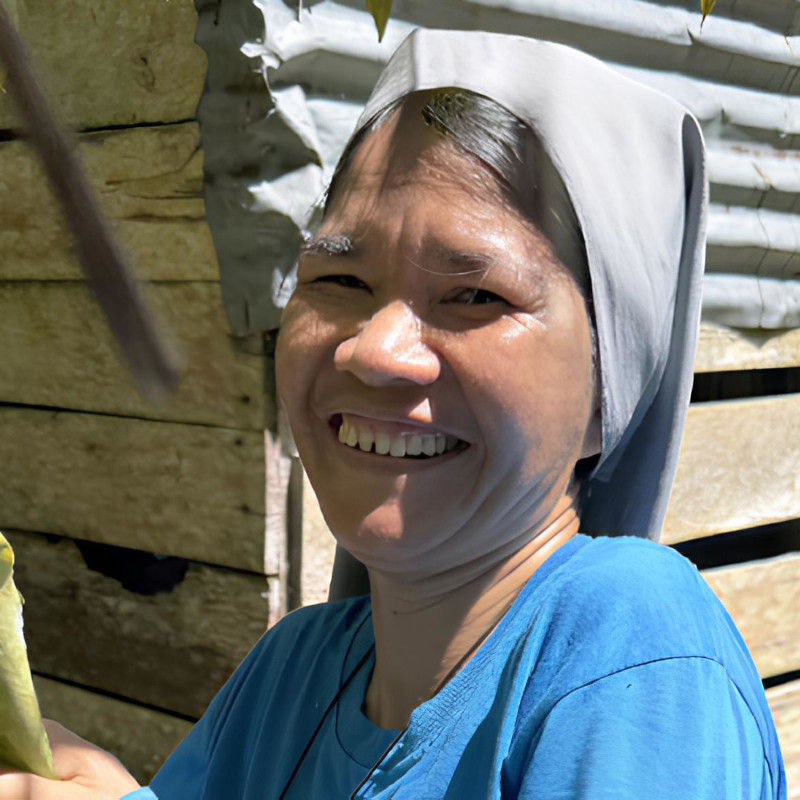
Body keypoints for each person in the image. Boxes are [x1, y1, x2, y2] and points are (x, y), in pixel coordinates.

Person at [0, 28, 786, 800]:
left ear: (608, 393)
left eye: (475, 295)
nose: (374, 352)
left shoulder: (630, 647)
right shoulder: (287, 675)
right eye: (340, 281)